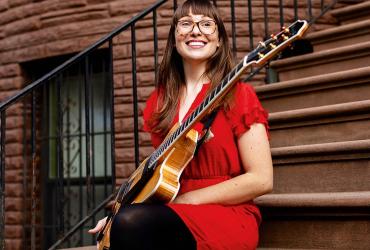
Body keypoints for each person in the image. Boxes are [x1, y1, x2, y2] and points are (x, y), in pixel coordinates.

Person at [88, 0, 273, 249]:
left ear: (219, 40)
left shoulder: (239, 95)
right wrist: (116, 216)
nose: (195, 30)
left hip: (226, 213)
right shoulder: (160, 102)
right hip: (171, 209)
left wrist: (189, 200)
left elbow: (261, 180)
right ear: (174, 39)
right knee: (127, 224)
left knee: (132, 225)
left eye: (207, 24)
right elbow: (159, 178)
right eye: (185, 23)